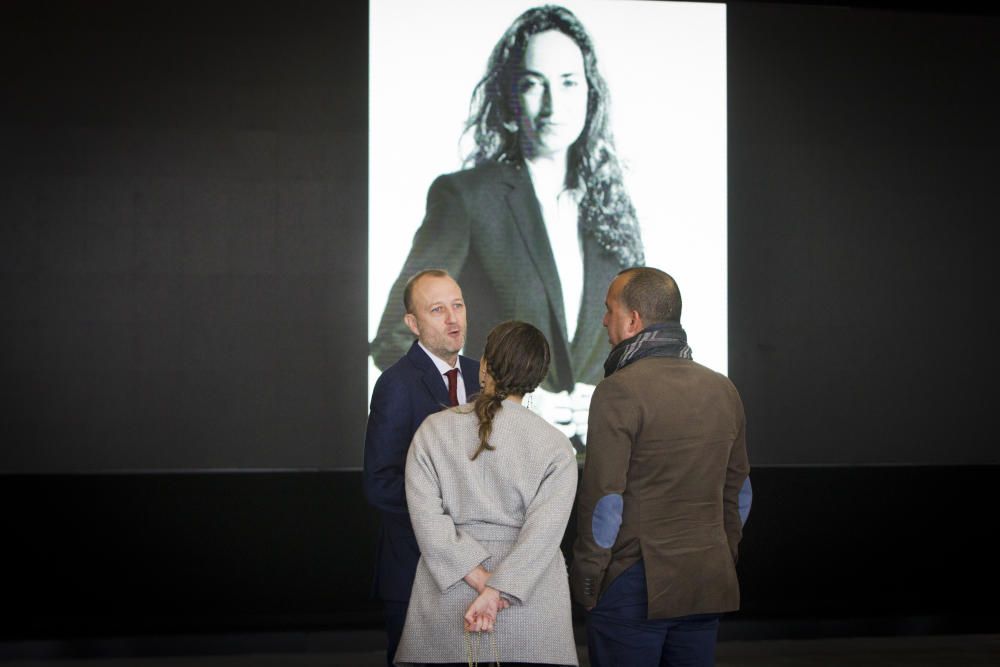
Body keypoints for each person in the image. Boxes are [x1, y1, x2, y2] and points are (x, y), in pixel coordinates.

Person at [371, 4, 643, 446]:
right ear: (510, 95)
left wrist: (611, 399)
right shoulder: (466, 197)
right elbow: (394, 340)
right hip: (498, 465)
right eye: (535, 84)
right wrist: (504, 400)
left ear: (590, 93)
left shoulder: (612, 208)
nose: (554, 103)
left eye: (570, 82)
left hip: (596, 469)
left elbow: (638, 341)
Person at [570, 268, 750, 667]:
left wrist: (588, 582)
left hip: (635, 586)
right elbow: (739, 495)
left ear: (633, 319)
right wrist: (723, 553)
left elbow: (605, 503)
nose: (603, 320)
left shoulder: (618, 390)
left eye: (608, 310)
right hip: (706, 578)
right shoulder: (724, 388)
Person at [393, 321, 579, 667]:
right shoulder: (555, 446)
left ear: (483, 366)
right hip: (530, 609)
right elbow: (544, 535)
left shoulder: (432, 432)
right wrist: (496, 591)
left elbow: (427, 521)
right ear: (538, 377)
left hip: (449, 598)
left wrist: (480, 581)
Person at [363, 269, 481, 667]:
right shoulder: (397, 383)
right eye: (437, 309)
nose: (453, 318)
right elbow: (381, 484)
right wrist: (443, 528)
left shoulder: (483, 376)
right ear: (413, 324)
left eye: (458, 305)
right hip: (417, 571)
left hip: (478, 570)